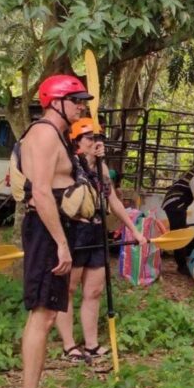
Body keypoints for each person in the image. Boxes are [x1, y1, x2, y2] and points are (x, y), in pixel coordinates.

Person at [11, 74, 92, 388]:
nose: (82, 106)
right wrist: (60, 243)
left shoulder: (56, 135)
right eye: (76, 100)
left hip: (55, 230)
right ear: (56, 101)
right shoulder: (43, 133)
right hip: (47, 233)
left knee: (44, 316)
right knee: (42, 318)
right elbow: (41, 192)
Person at [55, 118, 146, 365]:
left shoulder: (103, 169)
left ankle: (92, 344)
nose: (96, 143)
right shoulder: (68, 165)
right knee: (69, 289)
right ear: (77, 142)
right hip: (74, 232)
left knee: (94, 290)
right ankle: (69, 345)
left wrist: (134, 231)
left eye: (99, 138)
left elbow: (114, 202)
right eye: (90, 139)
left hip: (97, 231)